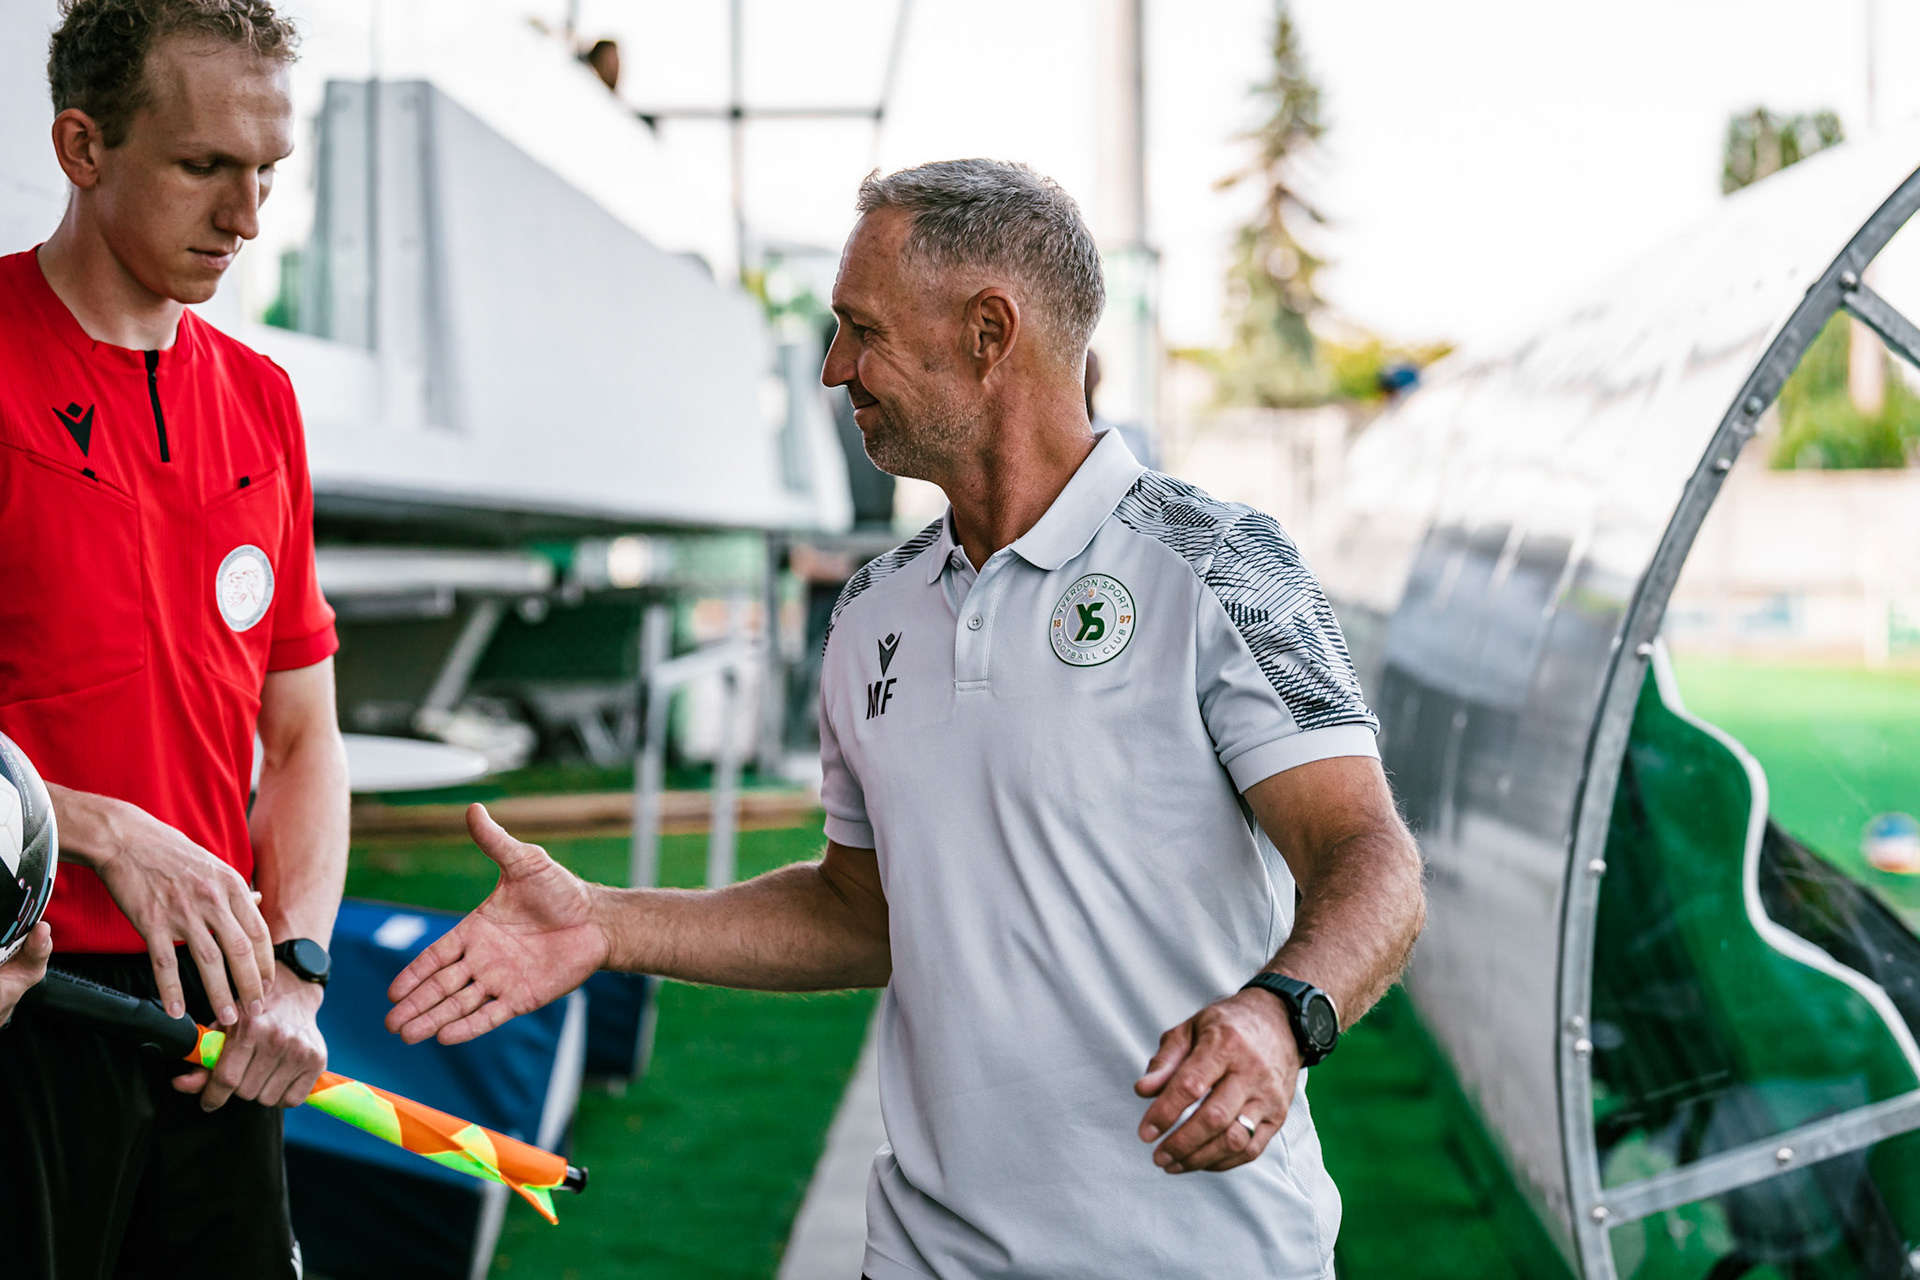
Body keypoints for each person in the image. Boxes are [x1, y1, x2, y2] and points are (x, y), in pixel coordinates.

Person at [388, 159, 1425, 1278]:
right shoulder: (872, 611)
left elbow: (1371, 856)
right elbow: (862, 910)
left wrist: (1282, 1016)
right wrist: (606, 920)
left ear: (990, 332)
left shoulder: (1223, 562)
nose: (837, 369)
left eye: (859, 329)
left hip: (1207, 1253)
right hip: (929, 1251)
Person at [0, 2, 349, 1276]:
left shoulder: (262, 401)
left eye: (267, 174)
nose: (247, 220)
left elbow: (303, 736)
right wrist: (94, 824)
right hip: (23, 1000)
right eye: (206, 166)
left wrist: (298, 971)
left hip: (219, 1024)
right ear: (82, 147)